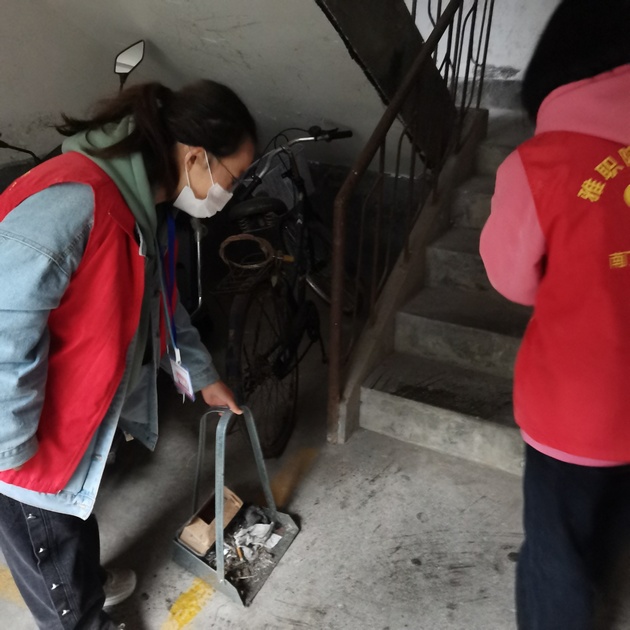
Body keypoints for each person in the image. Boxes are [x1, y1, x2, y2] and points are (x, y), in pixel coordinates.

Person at [0, 78, 257, 629]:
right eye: (232, 178)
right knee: (52, 559)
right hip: (22, 442)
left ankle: (84, 583)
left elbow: (159, 301)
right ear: (196, 157)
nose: (229, 193)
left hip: (65, 423)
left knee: (73, 516)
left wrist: (203, 375)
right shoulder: (78, 203)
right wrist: (10, 447)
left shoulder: (141, 207)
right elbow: (3, 320)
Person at [479, 0, 630, 627]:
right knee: (612, 525)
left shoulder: (540, 163)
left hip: (572, 408)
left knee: (555, 553)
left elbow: (509, 278)